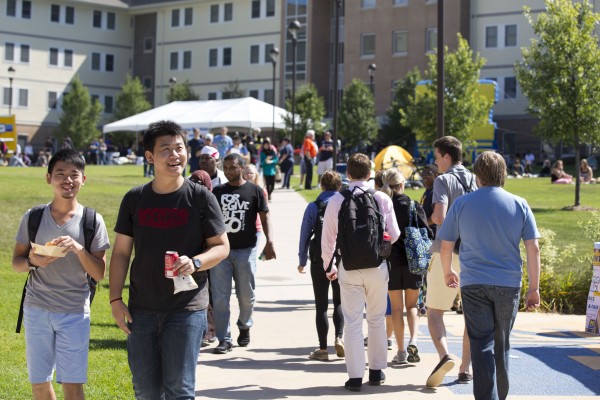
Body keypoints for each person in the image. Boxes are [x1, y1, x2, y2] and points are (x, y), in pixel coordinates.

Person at [109, 120, 229, 399]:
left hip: (186, 309)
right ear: (150, 157)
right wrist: (115, 299)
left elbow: (221, 246)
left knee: (180, 389)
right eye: (166, 149)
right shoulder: (135, 198)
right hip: (143, 309)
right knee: (146, 391)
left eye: (179, 148)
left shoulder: (201, 198)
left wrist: (196, 262)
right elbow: (122, 252)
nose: (175, 155)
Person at [439, 151, 541, 400]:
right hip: (508, 283)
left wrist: (448, 271)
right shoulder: (519, 204)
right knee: (502, 343)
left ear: (477, 176)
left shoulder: (462, 204)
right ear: (503, 174)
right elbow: (533, 248)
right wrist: (533, 288)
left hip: (473, 283)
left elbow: (446, 244)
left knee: (481, 344)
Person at [12, 148, 110, 400]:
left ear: (83, 180)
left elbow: (99, 273)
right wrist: (33, 261)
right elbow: (17, 262)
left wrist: (78, 249)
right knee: (39, 383)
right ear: (48, 178)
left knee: (72, 384)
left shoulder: (92, 220)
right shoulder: (33, 217)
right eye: (60, 174)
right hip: (37, 309)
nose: (68, 180)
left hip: (75, 312)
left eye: (74, 175)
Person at [321, 153, 400, 392]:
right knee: (376, 320)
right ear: (370, 174)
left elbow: (328, 238)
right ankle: (377, 371)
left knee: (353, 323)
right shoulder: (381, 198)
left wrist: (329, 266)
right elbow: (394, 234)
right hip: (377, 267)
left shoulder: (337, 199)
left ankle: (354, 377)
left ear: (348, 174)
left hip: (349, 267)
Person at [211, 153, 276, 354]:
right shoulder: (217, 192)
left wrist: (269, 242)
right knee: (220, 298)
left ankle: (244, 325)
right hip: (221, 252)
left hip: (246, 250)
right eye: (226, 167)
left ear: (241, 167)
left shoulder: (254, 191)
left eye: (233, 167)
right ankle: (224, 339)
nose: (229, 171)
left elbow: (265, 218)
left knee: (246, 295)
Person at [426, 135, 475, 387]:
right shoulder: (476, 181)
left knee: (434, 311)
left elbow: (440, 217)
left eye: (437, 157)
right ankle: (465, 369)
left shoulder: (443, 181)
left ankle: (444, 355)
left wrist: (429, 219)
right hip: (472, 254)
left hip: (446, 250)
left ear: (447, 156)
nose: (436, 162)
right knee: (470, 315)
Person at [379, 168, 433, 365]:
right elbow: (427, 232)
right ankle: (414, 340)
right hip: (413, 262)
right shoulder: (412, 205)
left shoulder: (383, 206)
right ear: (402, 185)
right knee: (412, 306)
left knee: (396, 308)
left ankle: (401, 351)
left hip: (391, 262)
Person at [298, 171, 345, 361]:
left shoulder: (313, 207)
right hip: (341, 258)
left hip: (319, 258)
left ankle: (323, 349)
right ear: (339, 186)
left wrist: (302, 260)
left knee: (321, 305)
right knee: (340, 301)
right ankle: (339, 337)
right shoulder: (344, 204)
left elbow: (304, 236)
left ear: (322, 186)